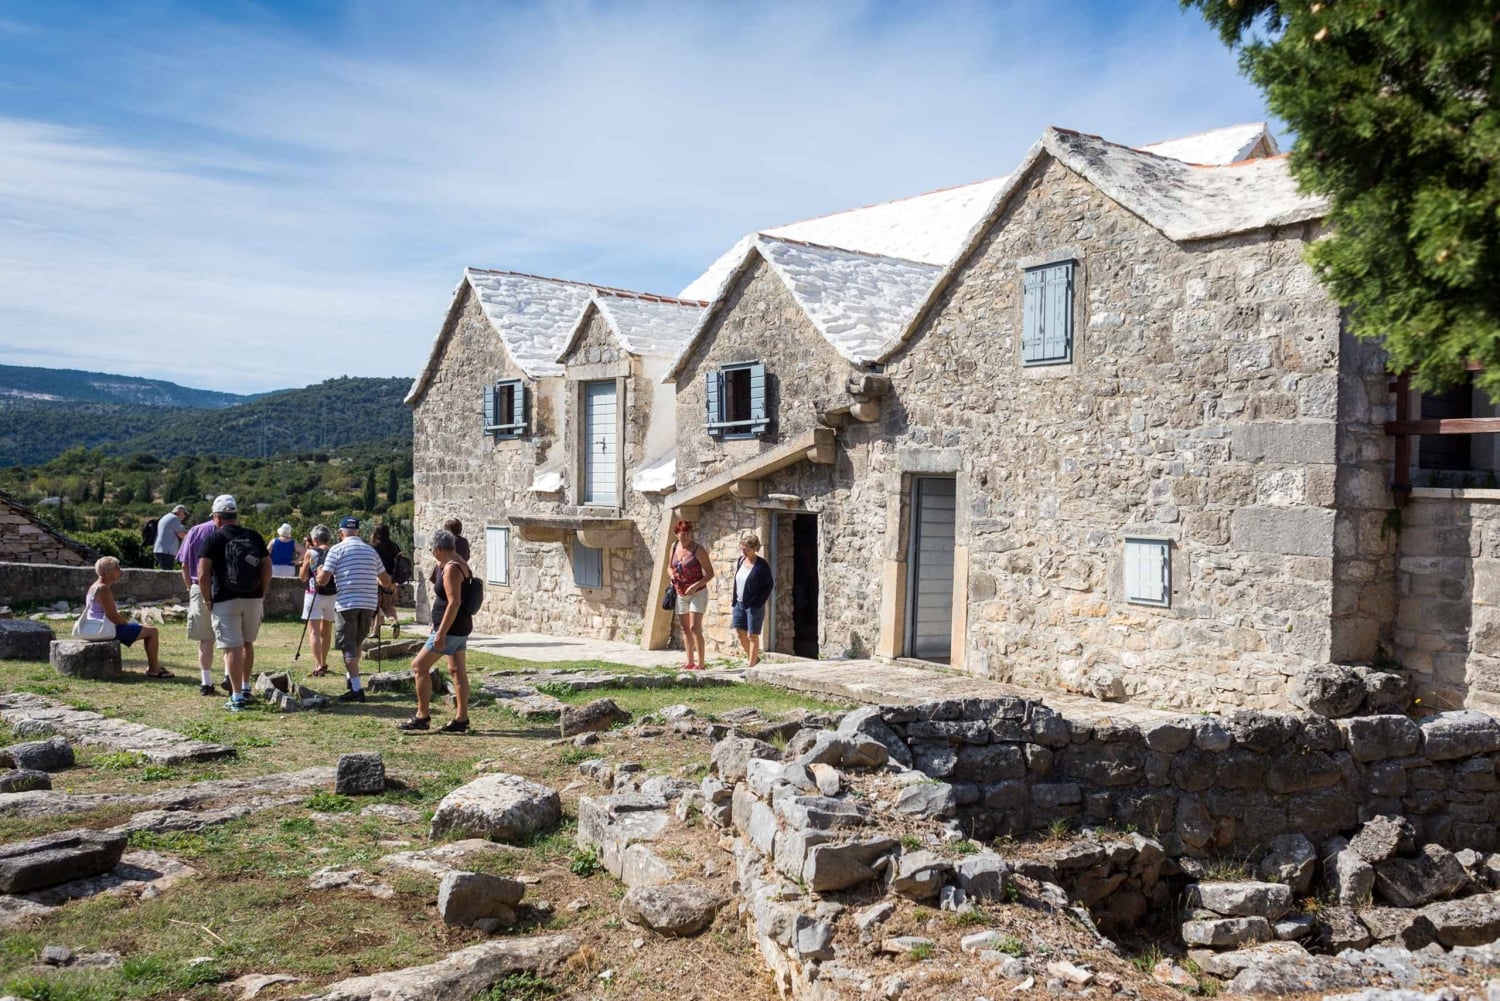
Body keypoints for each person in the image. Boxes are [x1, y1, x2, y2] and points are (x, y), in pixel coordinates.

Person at [198, 495, 271, 713]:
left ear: (217, 518)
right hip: (253, 597)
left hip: (224, 598)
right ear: (235, 516)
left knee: (232, 647)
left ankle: (237, 696)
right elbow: (267, 567)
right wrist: (262, 591)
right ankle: (246, 687)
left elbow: (203, 574)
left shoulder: (213, 539)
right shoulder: (254, 536)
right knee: (247, 643)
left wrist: (207, 599)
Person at [398, 529, 473, 733]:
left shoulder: (451, 569)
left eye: (432, 549)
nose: (431, 552)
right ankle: (461, 718)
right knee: (457, 671)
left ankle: (422, 716)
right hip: (461, 627)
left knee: (419, 666)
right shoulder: (459, 563)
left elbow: (454, 602)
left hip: (450, 629)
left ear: (438, 549)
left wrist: (440, 632)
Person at [316, 516, 392, 703]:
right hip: (368, 603)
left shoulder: (336, 550)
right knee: (357, 642)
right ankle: (352, 680)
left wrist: (318, 572)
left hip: (347, 603)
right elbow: (385, 581)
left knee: (348, 647)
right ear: (358, 532)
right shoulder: (371, 551)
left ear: (340, 533)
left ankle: (357, 689)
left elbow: (323, 581)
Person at [82, 557, 171, 678]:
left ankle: (154, 667)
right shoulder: (103, 588)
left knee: (147, 628)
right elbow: (112, 616)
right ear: (109, 572)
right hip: (105, 629)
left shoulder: (94, 586)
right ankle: (154, 668)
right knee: (152, 632)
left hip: (97, 626)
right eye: (117, 568)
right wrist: (126, 623)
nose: (120, 571)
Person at [179, 513, 223, 695]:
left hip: (199, 586)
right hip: (226, 588)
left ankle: (206, 682)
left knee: (206, 639)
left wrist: (191, 588)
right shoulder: (230, 532)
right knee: (231, 639)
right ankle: (230, 677)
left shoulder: (195, 531)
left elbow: (184, 565)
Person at [668, 520, 714, 671]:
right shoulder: (674, 547)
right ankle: (689, 662)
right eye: (683, 535)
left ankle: (701, 664)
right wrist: (672, 576)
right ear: (677, 534)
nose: (686, 538)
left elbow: (710, 573)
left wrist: (695, 586)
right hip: (680, 592)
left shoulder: (698, 550)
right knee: (685, 628)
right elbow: (669, 567)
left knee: (695, 627)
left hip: (697, 593)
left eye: (688, 534)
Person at [731, 534, 774, 668]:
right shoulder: (740, 561)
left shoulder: (761, 565)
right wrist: (734, 600)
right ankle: (753, 658)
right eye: (742, 548)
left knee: (752, 635)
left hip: (754, 605)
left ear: (755, 548)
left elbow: (769, 585)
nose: (744, 551)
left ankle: (750, 668)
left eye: (747, 549)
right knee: (740, 631)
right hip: (739, 603)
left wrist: (758, 602)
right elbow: (737, 582)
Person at [299, 525, 336, 677]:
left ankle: (318, 665)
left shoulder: (310, 552)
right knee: (326, 631)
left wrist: (303, 565)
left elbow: (303, 577)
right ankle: (324, 662)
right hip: (332, 594)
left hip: (313, 593)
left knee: (313, 631)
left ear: (314, 539)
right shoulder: (335, 551)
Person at [370, 524, 401, 633]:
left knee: (375, 606)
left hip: (376, 579)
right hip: (391, 581)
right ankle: (394, 621)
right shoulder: (394, 546)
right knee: (389, 607)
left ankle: (374, 631)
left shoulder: (373, 547)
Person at [152, 505, 188, 571]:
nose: (185, 516)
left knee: (163, 573)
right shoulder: (174, 518)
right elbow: (181, 534)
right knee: (167, 575)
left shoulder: (166, 517)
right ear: (179, 512)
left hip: (161, 549)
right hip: (166, 551)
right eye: (184, 513)